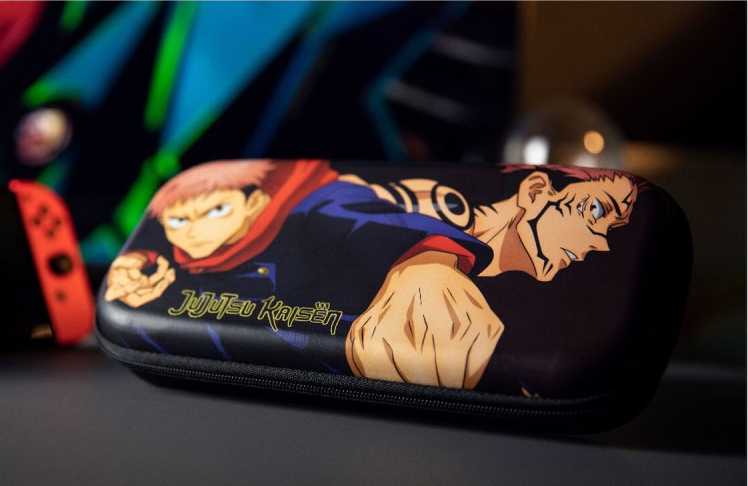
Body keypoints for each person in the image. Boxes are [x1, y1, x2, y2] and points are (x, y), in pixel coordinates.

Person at [101, 159, 501, 381]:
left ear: (255, 204)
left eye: (216, 210)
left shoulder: (312, 204)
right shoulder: (168, 264)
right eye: (179, 221)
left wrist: (425, 265)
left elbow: (366, 218)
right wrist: (143, 277)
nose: (196, 230)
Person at [341, 165, 641, 389]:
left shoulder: (518, 315)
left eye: (612, 228)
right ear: (536, 191)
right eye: (596, 209)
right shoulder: (441, 206)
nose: (601, 242)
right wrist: (427, 263)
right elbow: (342, 196)